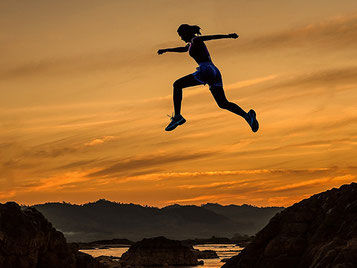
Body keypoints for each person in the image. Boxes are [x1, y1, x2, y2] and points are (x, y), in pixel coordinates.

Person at [157, 24, 259, 132]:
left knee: (177, 85)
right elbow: (183, 49)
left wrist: (228, 36)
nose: (181, 38)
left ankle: (177, 116)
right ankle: (247, 116)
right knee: (223, 103)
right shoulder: (191, 44)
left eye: (181, 35)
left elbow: (210, 37)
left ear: (186, 33)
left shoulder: (195, 39)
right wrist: (166, 50)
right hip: (215, 71)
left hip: (206, 69)